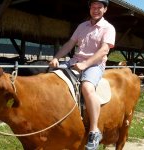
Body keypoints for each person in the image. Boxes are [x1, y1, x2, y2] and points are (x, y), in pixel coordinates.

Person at [48, 0, 115, 149]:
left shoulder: (108, 28)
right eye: (93, 7)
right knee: (50, 77)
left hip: (95, 64)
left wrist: (85, 64)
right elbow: (70, 44)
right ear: (90, 9)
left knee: (87, 87)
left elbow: (104, 50)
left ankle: (94, 130)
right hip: (75, 61)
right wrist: (56, 58)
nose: (95, 10)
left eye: (99, 7)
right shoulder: (82, 26)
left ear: (105, 10)